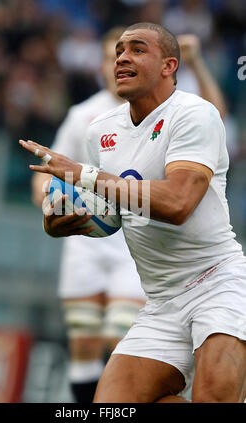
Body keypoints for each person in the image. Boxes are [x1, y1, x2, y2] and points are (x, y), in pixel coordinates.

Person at [20, 22, 246, 403]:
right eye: (119, 50)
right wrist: (64, 222)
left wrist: (85, 175)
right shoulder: (98, 132)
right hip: (160, 300)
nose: (122, 57)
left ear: (169, 65)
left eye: (137, 49)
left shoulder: (194, 114)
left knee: (215, 396)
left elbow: (177, 205)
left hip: (218, 284)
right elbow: (110, 209)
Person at [32, 27, 147, 404]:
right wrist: (50, 207)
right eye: (110, 56)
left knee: (120, 340)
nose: (117, 64)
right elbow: (46, 175)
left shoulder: (161, 114)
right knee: (83, 342)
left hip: (135, 244)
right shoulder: (83, 115)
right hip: (84, 238)